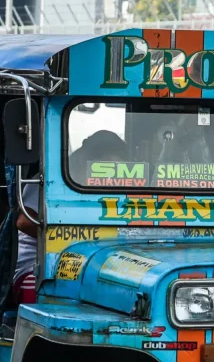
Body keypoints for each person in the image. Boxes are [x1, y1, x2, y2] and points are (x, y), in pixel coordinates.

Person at [12, 130, 127, 304]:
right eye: (109, 163)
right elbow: (24, 221)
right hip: (38, 265)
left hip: (96, 262)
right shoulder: (49, 180)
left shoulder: (120, 185)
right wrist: (72, 238)